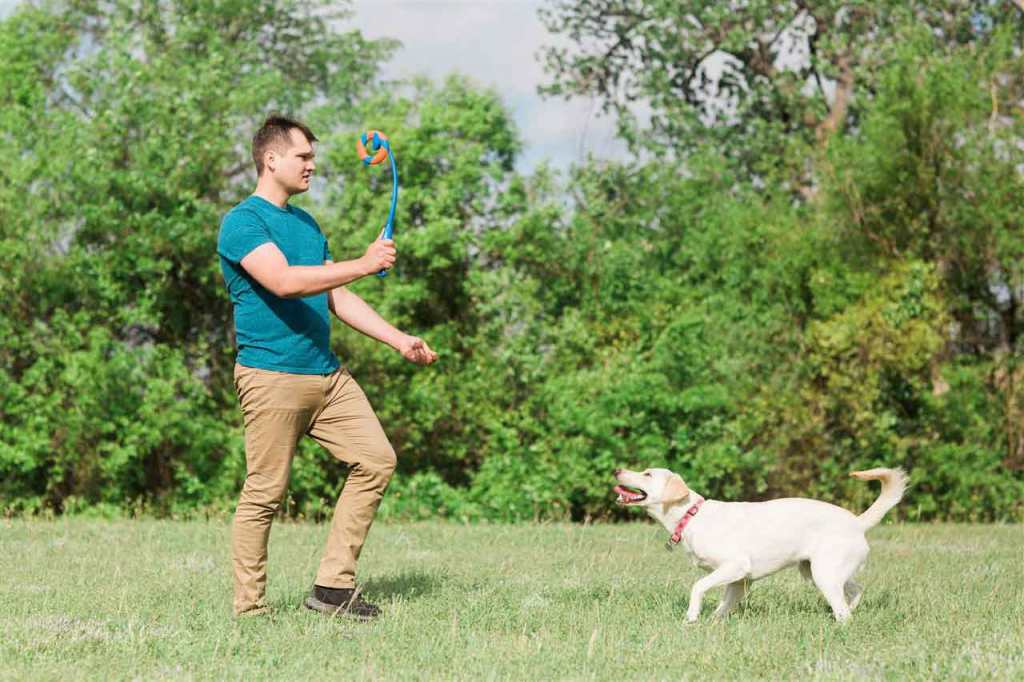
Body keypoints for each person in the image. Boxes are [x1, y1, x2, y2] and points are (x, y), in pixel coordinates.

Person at [217, 114, 438, 619]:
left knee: (377, 460)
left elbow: (334, 293)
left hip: (327, 376)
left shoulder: (307, 224)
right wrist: (364, 262)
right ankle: (249, 610)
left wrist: (397, 339)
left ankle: (333, 590)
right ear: (271, 160)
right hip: (271, 376)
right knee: (266, 491)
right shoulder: (243, 222)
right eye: (304, 157)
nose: (312, 166)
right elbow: (284, 281)